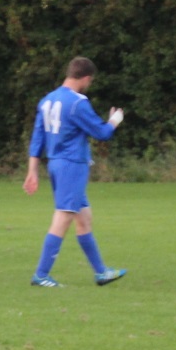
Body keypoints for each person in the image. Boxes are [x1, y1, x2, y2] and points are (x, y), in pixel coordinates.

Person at [22, 56, 127, 288]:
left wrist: (32, 170)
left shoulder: (47, 100)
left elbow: (37, 139)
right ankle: (41, 275)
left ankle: (101, 272)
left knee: (84, 219)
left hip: (56, 164)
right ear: (86, 78)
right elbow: (102, 133)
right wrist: (114, 120)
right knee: (63, 216)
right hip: (72, 165)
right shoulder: (77, 103)